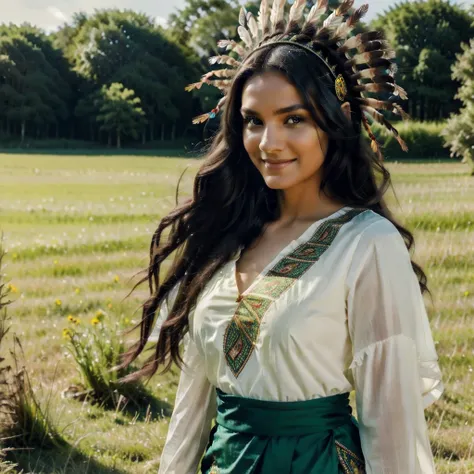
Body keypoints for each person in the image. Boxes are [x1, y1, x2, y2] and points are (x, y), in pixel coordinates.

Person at [118, 0, 444, 472]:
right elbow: (194, 403)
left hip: (315, 462)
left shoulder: (367, 243)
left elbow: (391, 422)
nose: (269, 143)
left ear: (335, 122)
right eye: (254, 120)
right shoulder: (229, 234)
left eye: (294, 119)